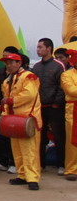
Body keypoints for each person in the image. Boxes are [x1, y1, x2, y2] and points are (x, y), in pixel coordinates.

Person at [1, 52, 42, 190]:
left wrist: (12, 100)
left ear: (19, 63)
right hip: (14, 120)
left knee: (30, 151)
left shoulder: (29, 76)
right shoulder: (7, 81)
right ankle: (22, 175)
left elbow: (29, 95)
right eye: (7, 63)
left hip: (28, 119)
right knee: (17, 150)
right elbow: (5, 100)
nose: (9, 65)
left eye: (11, 63)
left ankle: (32, 178)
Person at [32, 38, 66, 175]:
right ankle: (41, 164)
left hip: (55, 107)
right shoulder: (36, 67)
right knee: (39, 137)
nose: (38, 50)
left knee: (58, 136)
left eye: (40, 47)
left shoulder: (58, 66)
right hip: (40, 107)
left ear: (49, 48)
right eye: (37, 47)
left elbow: (62, 86)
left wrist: (56, 103)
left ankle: (62, 165)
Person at [60, 49, 77, 180]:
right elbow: (71, 90)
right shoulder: (66, 75)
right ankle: (71, 169)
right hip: (73, 109)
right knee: (72, 141)